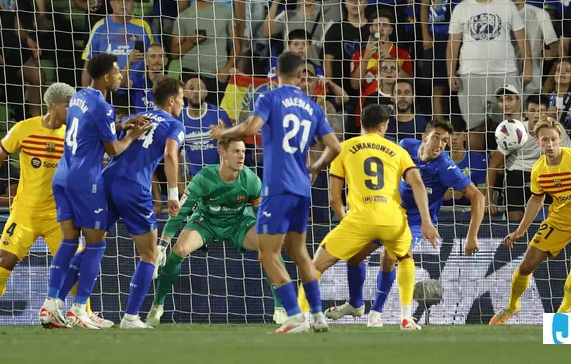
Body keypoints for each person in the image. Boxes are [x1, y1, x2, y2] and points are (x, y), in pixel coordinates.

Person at [210, 51, 341, 334]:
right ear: (300, 75)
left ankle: (295, 316)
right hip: (302, 189)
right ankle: (317, 316)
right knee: (299, 252)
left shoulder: (270, 97)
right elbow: (335, 146)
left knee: (267, 254)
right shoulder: (312, 106)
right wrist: (315, 167)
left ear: (276, 73)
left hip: (278, 187)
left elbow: (250, 127)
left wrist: (223, 135)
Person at [0, 83, 114, 329]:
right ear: (54, 105)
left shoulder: (72, 133)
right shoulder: (24, 129)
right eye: (68, 106)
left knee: (74, 264)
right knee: (6, 261)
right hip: (25, 213)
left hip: (59, 214)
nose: (72, 111)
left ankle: (83, 313)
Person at [321, 119, 486, 327]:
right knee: (354, 257)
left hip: (415, 223)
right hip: (386, 213)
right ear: (424, 138)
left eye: (445, 141)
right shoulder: (405, 146)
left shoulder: (445, 167)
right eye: (436, 137)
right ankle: (355, 304)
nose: (440, 144)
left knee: (389, 256)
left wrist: (472, 235)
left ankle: (376, 313)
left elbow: (478, 197)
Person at [295, 104, 437, 331]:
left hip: (359, 220)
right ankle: (406, 318)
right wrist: (427, 222)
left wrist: (346, 222)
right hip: (392, 220)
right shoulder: (398, 151)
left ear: (361, 123)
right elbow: (417, 184)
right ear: (383, 126)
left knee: (315, 266)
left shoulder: (342, 148)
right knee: (405, 258)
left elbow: (334, 198)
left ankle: (302, 318)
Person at [39, 53, 151, 329]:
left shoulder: (77, 97)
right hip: (85, 180)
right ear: (105, 77)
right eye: (117, 72)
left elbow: (87, 128)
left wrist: (120, 125)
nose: (120, 76)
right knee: (96, 243)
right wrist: (132, 135)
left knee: (68, 242)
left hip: (63, 176)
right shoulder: (103, 106)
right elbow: (113, 150)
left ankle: (51, 305)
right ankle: (79, 309)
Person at [490, 118, 571, 324]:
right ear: (537, 141)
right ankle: (512, 305)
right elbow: (536, 199)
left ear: (560, 138)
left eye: (554, 139)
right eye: (545, 140)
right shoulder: (538, 170)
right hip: (558, 220)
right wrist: (520, 230)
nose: (550, 144)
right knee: (526, 266)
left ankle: (563, 312)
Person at [147, 138, 287, 326]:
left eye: (243, 152)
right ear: (222, 154)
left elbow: (260, 216)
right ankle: (158, 304)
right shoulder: (204, 177)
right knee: (178, 251)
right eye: (236, 151)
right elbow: (180, 213)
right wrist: (162, 245)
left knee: (270, 249)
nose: (241, 156)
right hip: (206, 222)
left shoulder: (251, 180)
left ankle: (281, 307)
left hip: (238, 222)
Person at [102, 76, 187, 329]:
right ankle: (130, 317)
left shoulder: (138, 115)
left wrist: (121, 124)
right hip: (134, 188)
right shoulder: (175, 124)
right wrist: (172, 196)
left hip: (107, 180)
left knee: (92, 245)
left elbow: (109, 131)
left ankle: (68, 307)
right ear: (171, 100)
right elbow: (171, 154)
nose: (182, 104)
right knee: (150, 254)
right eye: (182, 99)